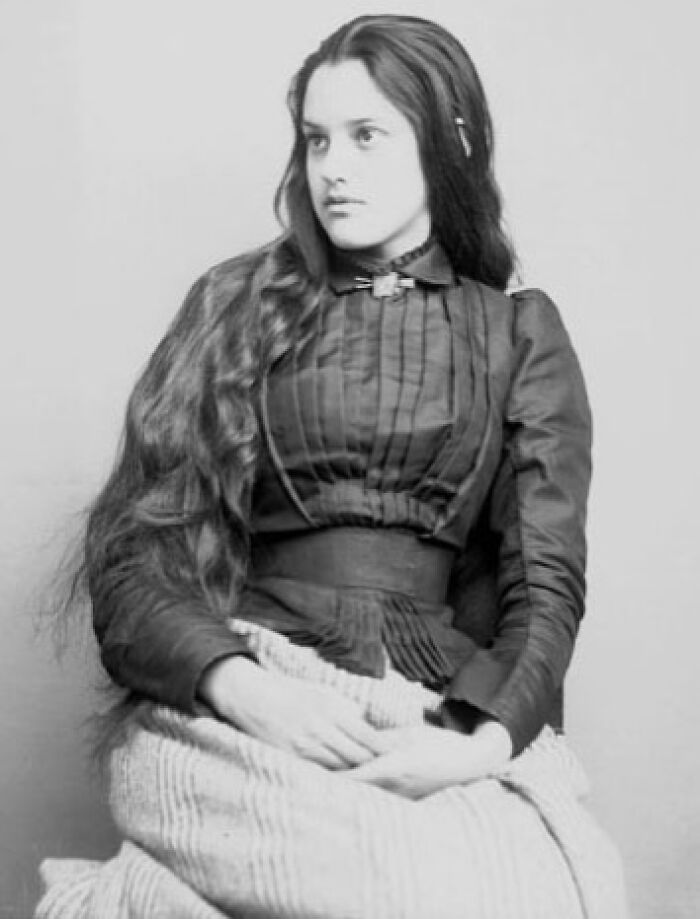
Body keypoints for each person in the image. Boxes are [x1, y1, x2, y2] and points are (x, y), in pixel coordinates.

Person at [36, 14, 627, 919]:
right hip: (242, 698)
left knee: (545, 891)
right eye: (316, 140)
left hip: (435, 707)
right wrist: (245, 689)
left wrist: (481, 738)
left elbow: (544, 586)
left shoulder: (517, 333)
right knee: (387, 886)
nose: (333, 168)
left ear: (445, 145)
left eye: (366, 135)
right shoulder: (235, 304)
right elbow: (132, 559)